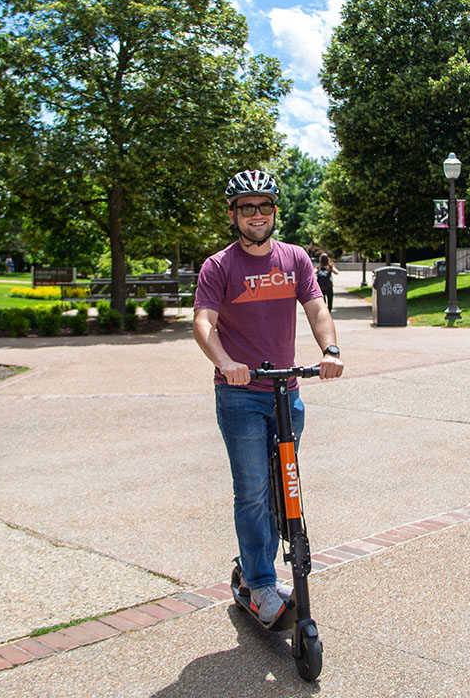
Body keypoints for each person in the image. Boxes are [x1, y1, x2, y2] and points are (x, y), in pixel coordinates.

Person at [193, 170, 344, 625]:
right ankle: (259, 583)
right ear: (233, 215)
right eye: (246, 208)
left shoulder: (295, 259)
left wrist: (330, 349)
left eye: (264, 206)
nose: (256, 215)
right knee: (254, 490)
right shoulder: (219, 266)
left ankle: (262, 567)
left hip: (286, 393)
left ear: (275, 211)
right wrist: (224, 362)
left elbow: (316, 307)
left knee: (284, 486)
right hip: (240, 395)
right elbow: (203, 323)